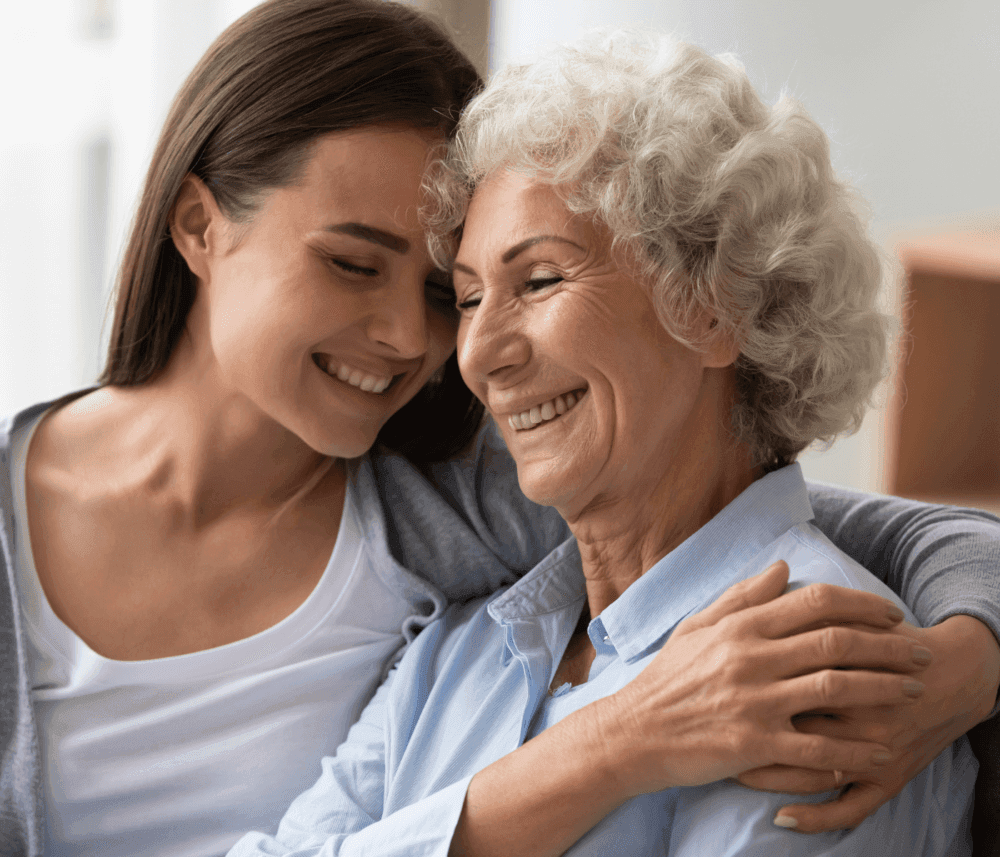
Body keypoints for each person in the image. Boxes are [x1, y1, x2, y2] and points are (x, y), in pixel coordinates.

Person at [1, 3, 999, 855]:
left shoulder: (799, 663)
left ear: (710, 304)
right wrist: (610, 744)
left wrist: (951, 660)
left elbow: (848, 526)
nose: (446, 347)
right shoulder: (476, 636)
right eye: (469, 296)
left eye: (535, 279)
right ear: (196, 225)